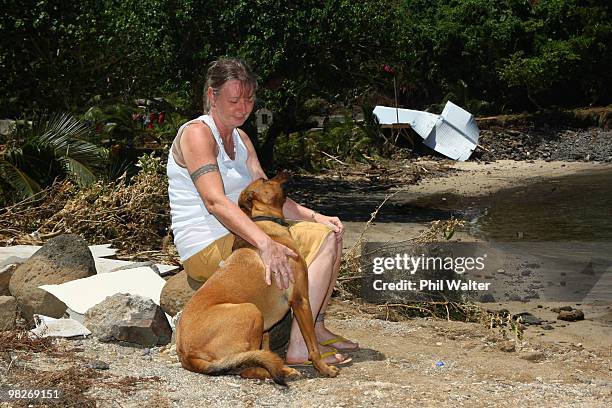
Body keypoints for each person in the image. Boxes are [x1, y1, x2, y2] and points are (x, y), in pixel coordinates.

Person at [167, 57, 358, 365]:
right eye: (234, 100)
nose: (243, 107)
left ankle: (317, 326)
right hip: (208, 243)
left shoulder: (242, 138)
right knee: (319, 240)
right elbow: (214, 202)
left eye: (249, 99)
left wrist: (315, 216)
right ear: (212, 96)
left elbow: (271, 197)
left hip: (246, 233)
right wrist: (266, 244)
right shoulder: (197, 134)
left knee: (330, 232)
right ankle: (299, 345)